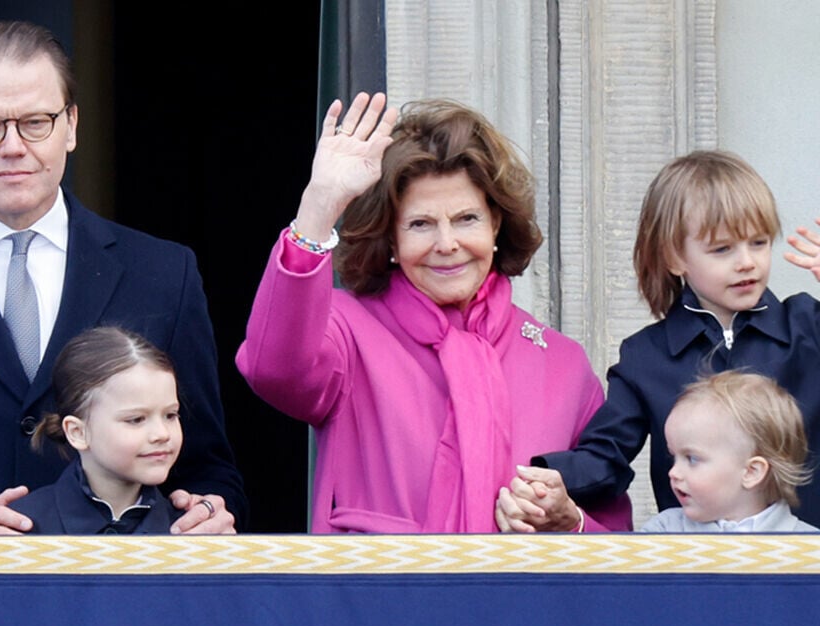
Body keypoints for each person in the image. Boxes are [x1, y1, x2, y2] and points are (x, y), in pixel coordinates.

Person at [0, 20, 244, 535]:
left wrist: (211, 512)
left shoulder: (165, 273)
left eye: (35, 122)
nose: (12, 146)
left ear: (71, 125)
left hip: (120, 597)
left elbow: (210, 467)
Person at [236, 94, 631, 533]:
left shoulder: (561, 363)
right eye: (421, 224)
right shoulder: (348, 331)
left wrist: (569, 522)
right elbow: (274, 368)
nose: (447, 244)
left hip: (520, 601)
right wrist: (319, 207)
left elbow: (613, 539)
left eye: (466, 219)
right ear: (390, 237)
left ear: (496, 223)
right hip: (378, 597)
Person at [497, 151, 820, 531]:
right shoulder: (646, 355)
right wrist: (541, 480)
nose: (747, 262)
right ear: (675, 257)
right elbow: (606, 457)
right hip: (691, 564)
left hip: (804, 563)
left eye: (759, 242)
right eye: (722, 249)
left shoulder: (807, 326)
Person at [9, 327, 185, 534]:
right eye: (136, 419)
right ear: (77, 432)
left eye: (171, 415)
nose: (162, 434)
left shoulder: (192, 532)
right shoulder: (18, 529)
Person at [640, 371, 816, 532]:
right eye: (673, 457)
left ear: (751, 472)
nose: (673, 472)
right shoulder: (663, 532)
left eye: (692, 459)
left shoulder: (807, 546)